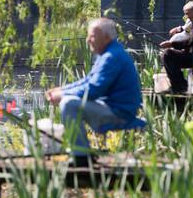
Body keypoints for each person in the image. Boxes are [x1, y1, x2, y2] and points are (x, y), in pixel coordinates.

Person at [45, 18, 142, 165]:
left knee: (69, 104)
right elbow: (87, 81)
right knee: (68, 100)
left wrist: (63, 95)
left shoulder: (111, 57)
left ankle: (81, 157)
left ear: (106, 38)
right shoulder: (107, 54)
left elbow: (94, 90)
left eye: (92, 36)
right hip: (113, 106)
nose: (88, 40)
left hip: (120, 112)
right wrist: (62, 89)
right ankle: (81, 154)